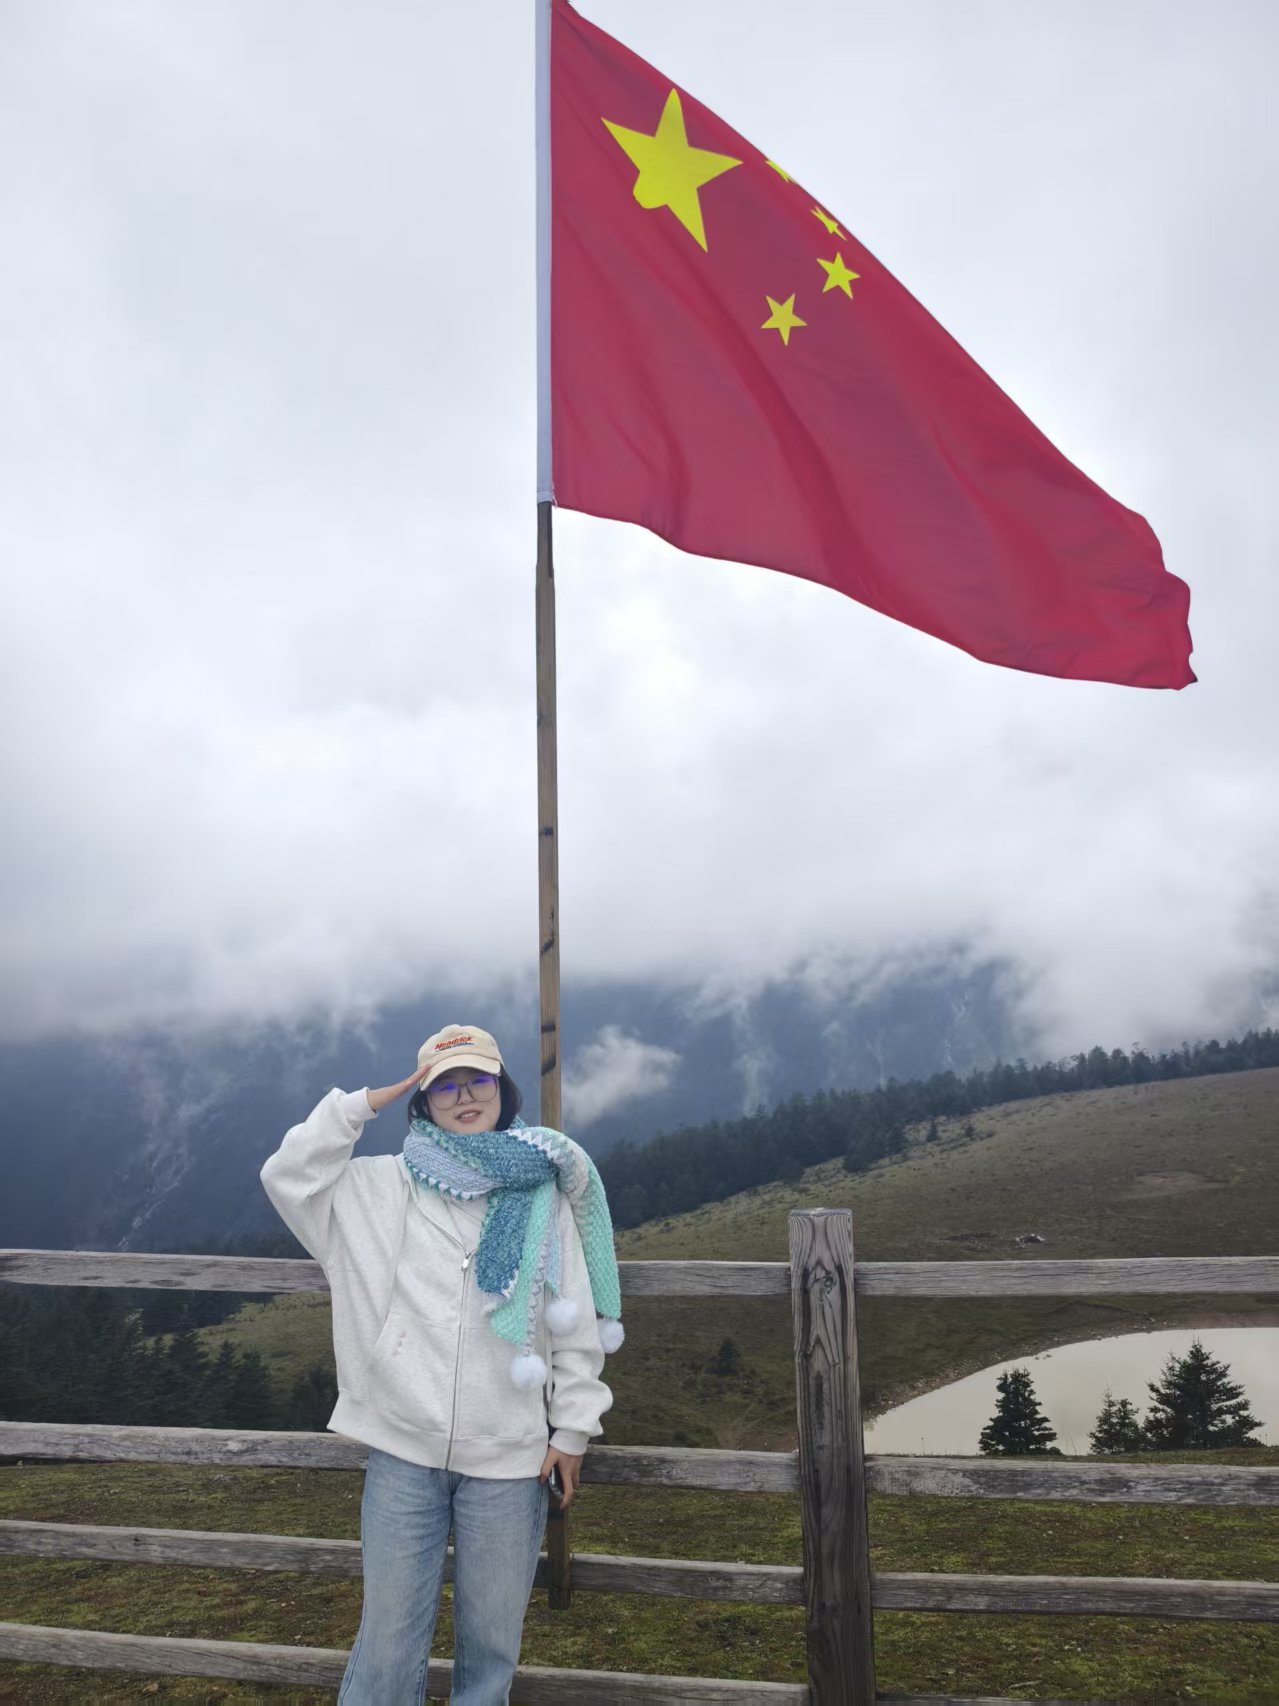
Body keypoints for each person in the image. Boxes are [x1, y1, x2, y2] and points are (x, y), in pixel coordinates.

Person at [261, 1023, 623, 1706]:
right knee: (387, 1643)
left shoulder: (543, 1195)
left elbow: (572, 1315)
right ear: (422, 1100)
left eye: (477, 1079)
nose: (464, 1096)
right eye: (445, 1085)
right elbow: (287, 1175)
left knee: (490, 1649)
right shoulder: (378, 1189)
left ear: (502, 1089)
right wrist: (359, 1105)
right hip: (402, 1448)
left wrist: (573, 1428)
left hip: (512, 1458)